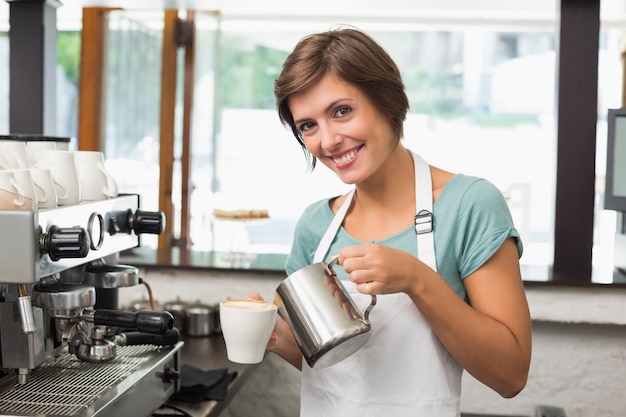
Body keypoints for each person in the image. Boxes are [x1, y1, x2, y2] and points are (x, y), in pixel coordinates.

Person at [260, 26, 531, 417]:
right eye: (308, 125)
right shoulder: (315, 226)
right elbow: (329, 367)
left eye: (342, 111)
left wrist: (416, 280)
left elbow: (511, 375)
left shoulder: (469, 205)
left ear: (388, 102)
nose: (329, 140)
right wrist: (274, 336)